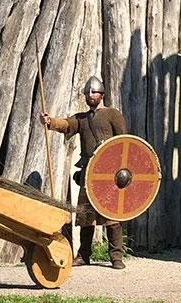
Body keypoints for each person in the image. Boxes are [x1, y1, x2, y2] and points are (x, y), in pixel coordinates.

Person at [41, 76, 128, 269]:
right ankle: (84, 256)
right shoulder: (82, 119)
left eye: (94, 92)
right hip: (89, 174)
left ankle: (116, 257)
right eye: (87, 92)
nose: (90, 95)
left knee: (111, 217)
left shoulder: (113, 115)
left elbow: (124, 143)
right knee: (86, 216)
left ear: (102, 94)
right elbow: (66, 124)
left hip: (110, 175)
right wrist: (50, 122)